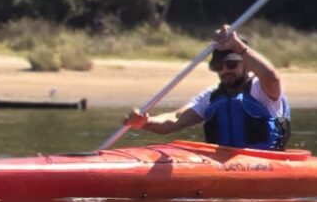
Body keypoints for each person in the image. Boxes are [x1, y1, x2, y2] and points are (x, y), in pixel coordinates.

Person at [123, 24, 290, 150]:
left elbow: (272, 78)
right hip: (220, 166)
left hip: (264, 162)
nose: (225, 71)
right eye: (219, 66)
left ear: (246, 65)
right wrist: (146, 122)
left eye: (231, 64)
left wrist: (237, 45)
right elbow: (176, 119)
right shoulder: (211, 96)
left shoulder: (261, 89)